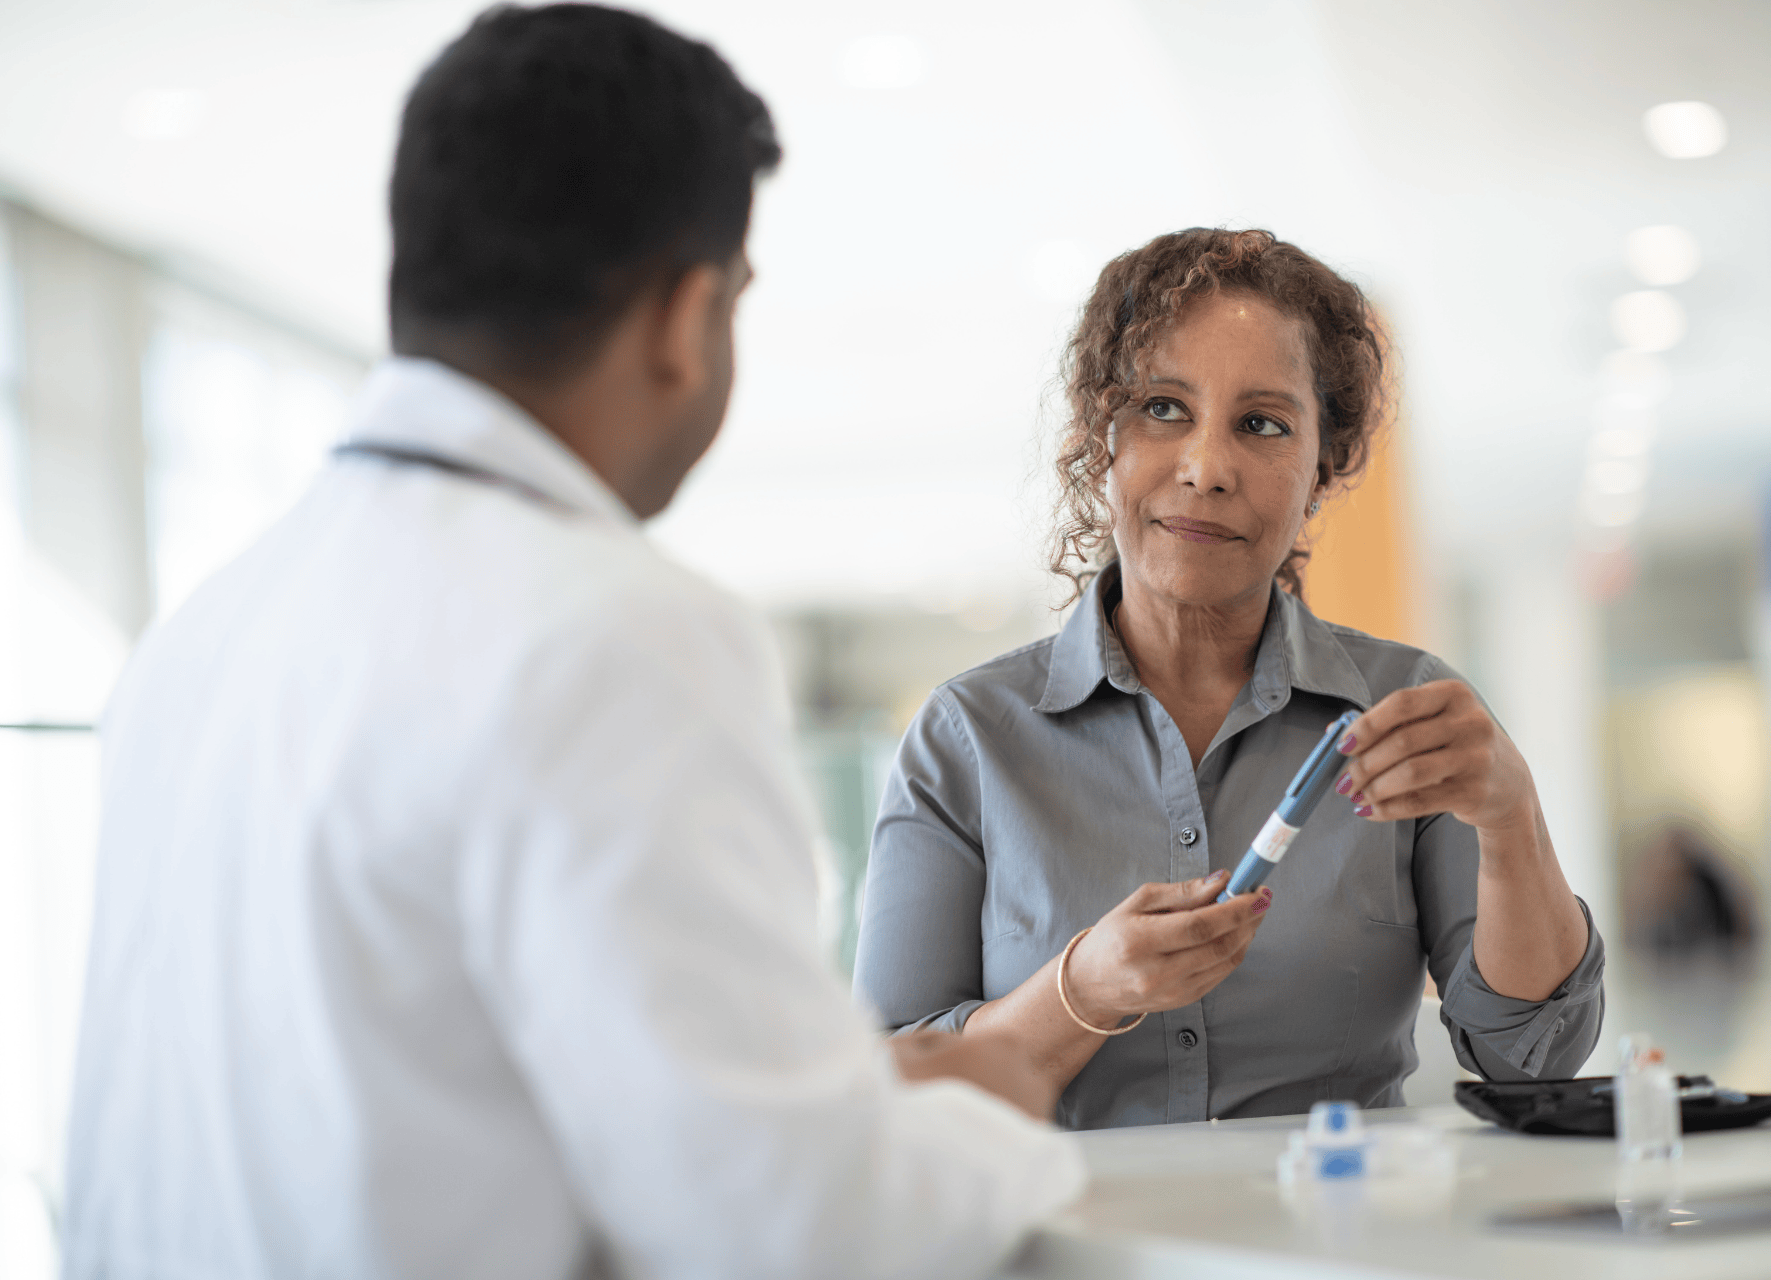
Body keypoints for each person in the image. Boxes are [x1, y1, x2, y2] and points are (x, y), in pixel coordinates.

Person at [61, 7, 1083, 1278]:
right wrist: (986, 1100)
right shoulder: (615, 628)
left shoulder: (201, 632)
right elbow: (800, 1230)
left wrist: (830, 1101)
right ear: (685, 313)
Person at [854, 228, 1605, 1131]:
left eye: (1263, 425)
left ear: (1321, 474)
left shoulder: (1405, 713)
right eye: (1164, 409)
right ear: (1105, 443)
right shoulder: (967, 739)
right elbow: (894, 1085)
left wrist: (1512, 817)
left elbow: (1535, 1058)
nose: (1207, 467)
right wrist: (1081, 990)